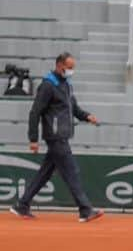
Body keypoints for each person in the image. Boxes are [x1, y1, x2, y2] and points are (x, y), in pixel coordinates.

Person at [11, 52, 104, 223]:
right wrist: (33, 138)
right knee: (71, 171)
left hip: (62, 135)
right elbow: (35, 112)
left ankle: (22, 205)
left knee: (44, 173)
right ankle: (85, 209)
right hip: (55, 136)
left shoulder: (66, 85)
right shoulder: (48, 85)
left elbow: (73, 108)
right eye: (69, 68)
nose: (71, 71)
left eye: (72, 68)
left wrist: (87, 116)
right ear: (60, 65)